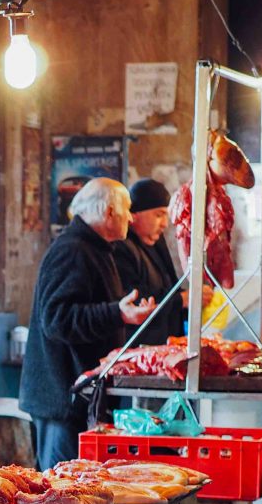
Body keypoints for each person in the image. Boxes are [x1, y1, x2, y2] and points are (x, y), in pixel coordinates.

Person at [18, 178, 157, 470]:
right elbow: (56, 320)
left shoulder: (96, 248)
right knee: (61, 498)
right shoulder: (72, 250)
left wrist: (122, 314)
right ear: (108, 212)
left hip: (78, 398)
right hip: (62, 403)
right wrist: (116, 314)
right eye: (127, 209)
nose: (131, 218)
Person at [111, 178, 186, 345]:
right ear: (134, 216)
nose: (165, 224)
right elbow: (134, 298)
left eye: (166, 215)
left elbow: (169, 287)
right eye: (158, 215)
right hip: (138, 347)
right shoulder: (120, 248)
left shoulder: (157, 242)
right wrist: (181, 300)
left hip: (166, 343)